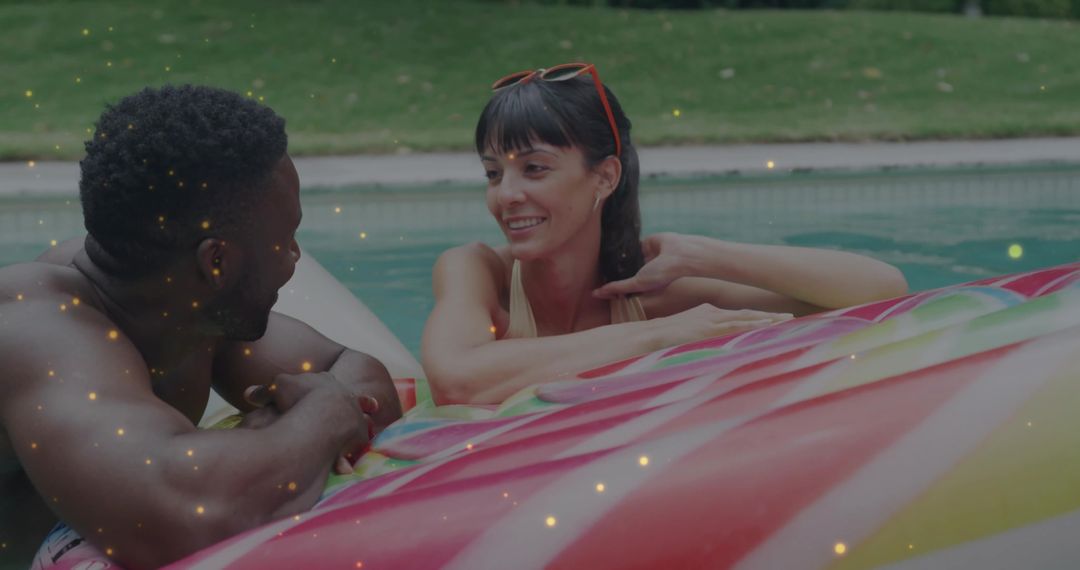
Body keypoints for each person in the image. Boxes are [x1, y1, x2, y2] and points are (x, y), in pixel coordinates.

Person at [0, 85, 401, 569]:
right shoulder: (34, 327)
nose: (295, 257)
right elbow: (188, 520)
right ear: (216, 261)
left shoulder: (181, 310)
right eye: (287, 239)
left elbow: (356, 370)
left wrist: (288, 430)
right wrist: (325, 416)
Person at [421, 63, 908, 405]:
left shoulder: (656, 292)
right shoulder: (477, 270)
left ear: (605, 177)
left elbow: (880, 289)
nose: (506, 195)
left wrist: (705, 253)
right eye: (492, 174)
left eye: (534, 169)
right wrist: (659, 337)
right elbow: (457, 380)